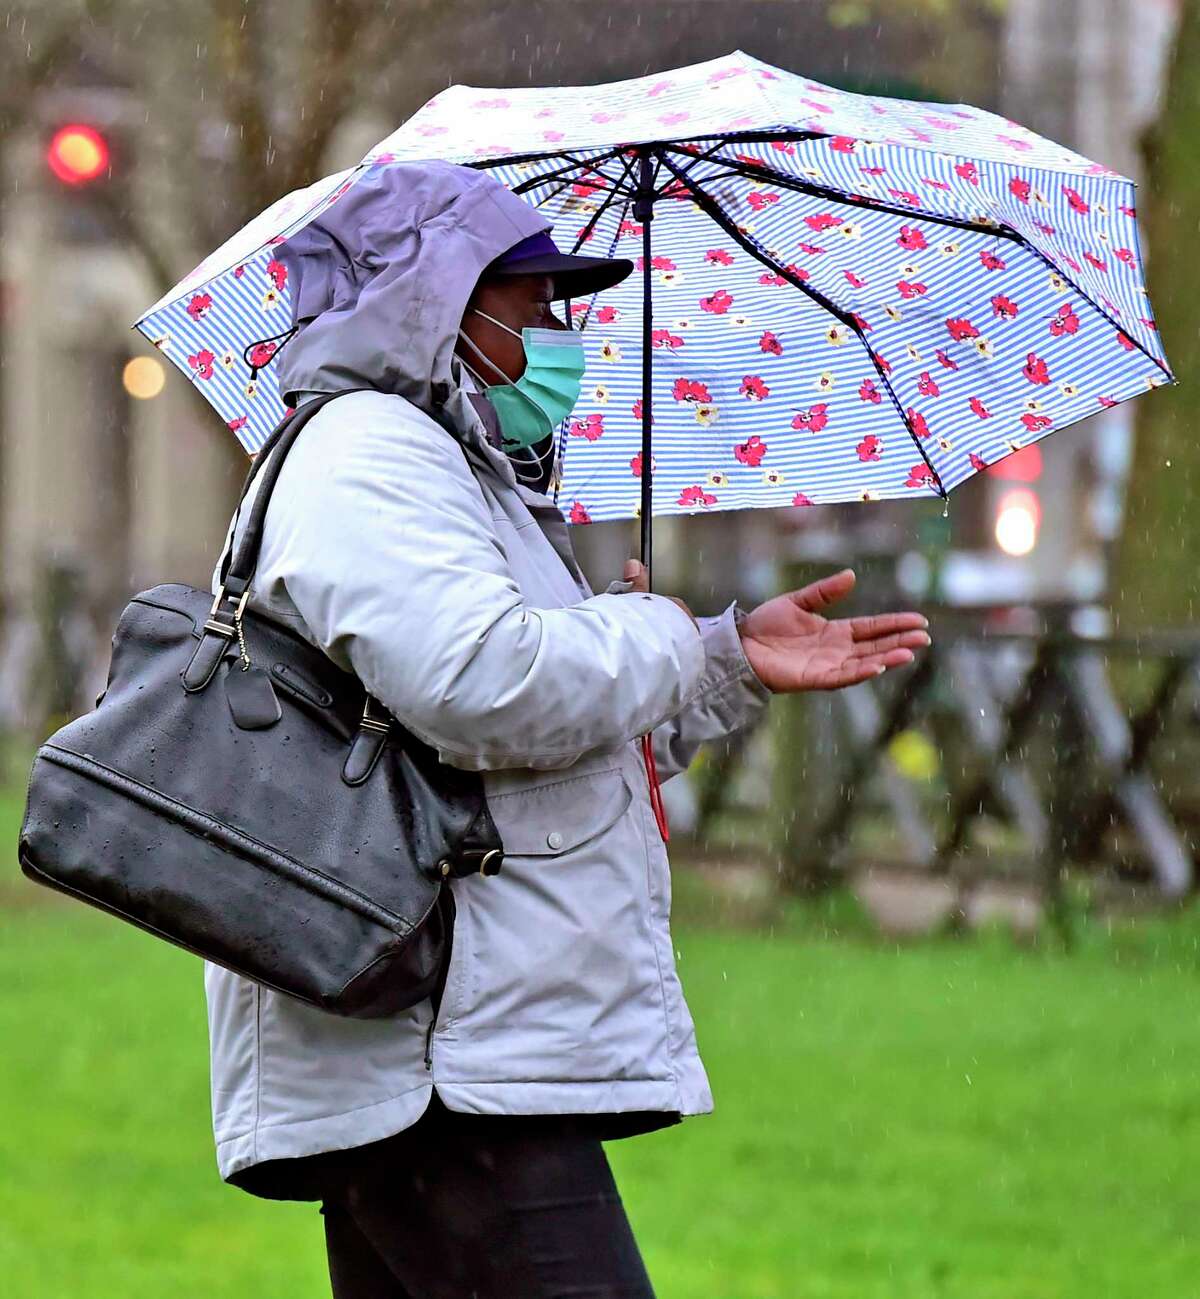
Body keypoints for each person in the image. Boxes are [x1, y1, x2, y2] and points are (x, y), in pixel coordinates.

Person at [204, 161, 930, 1298]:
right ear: (441, 301)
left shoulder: (459, 471)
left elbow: (528, 753)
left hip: (453, 1058)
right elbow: (484, 684)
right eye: (537, 299)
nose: (564, 330)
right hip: (443, 1064)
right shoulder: (370, 455)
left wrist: (720, 660)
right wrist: (661, 636)